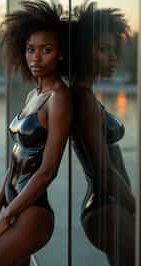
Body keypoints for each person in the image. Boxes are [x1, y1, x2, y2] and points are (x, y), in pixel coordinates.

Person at [0, 1, 71, 266]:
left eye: (46, 50)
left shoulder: (60, 98)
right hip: (13, 208)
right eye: (30, 50)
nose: (36, 58)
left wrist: (6, 217)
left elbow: (48, 170)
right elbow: (16, 160)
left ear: (60, 53)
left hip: (32, 215)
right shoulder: (33, 95)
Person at [70, 2, 135, 265]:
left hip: (108, 207)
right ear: (84, 51)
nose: (111, 57)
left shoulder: (84, 96)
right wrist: (135, 207)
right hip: (107, 208)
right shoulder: (83, 100)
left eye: (112, 50)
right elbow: (105, 171)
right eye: (102, 49)